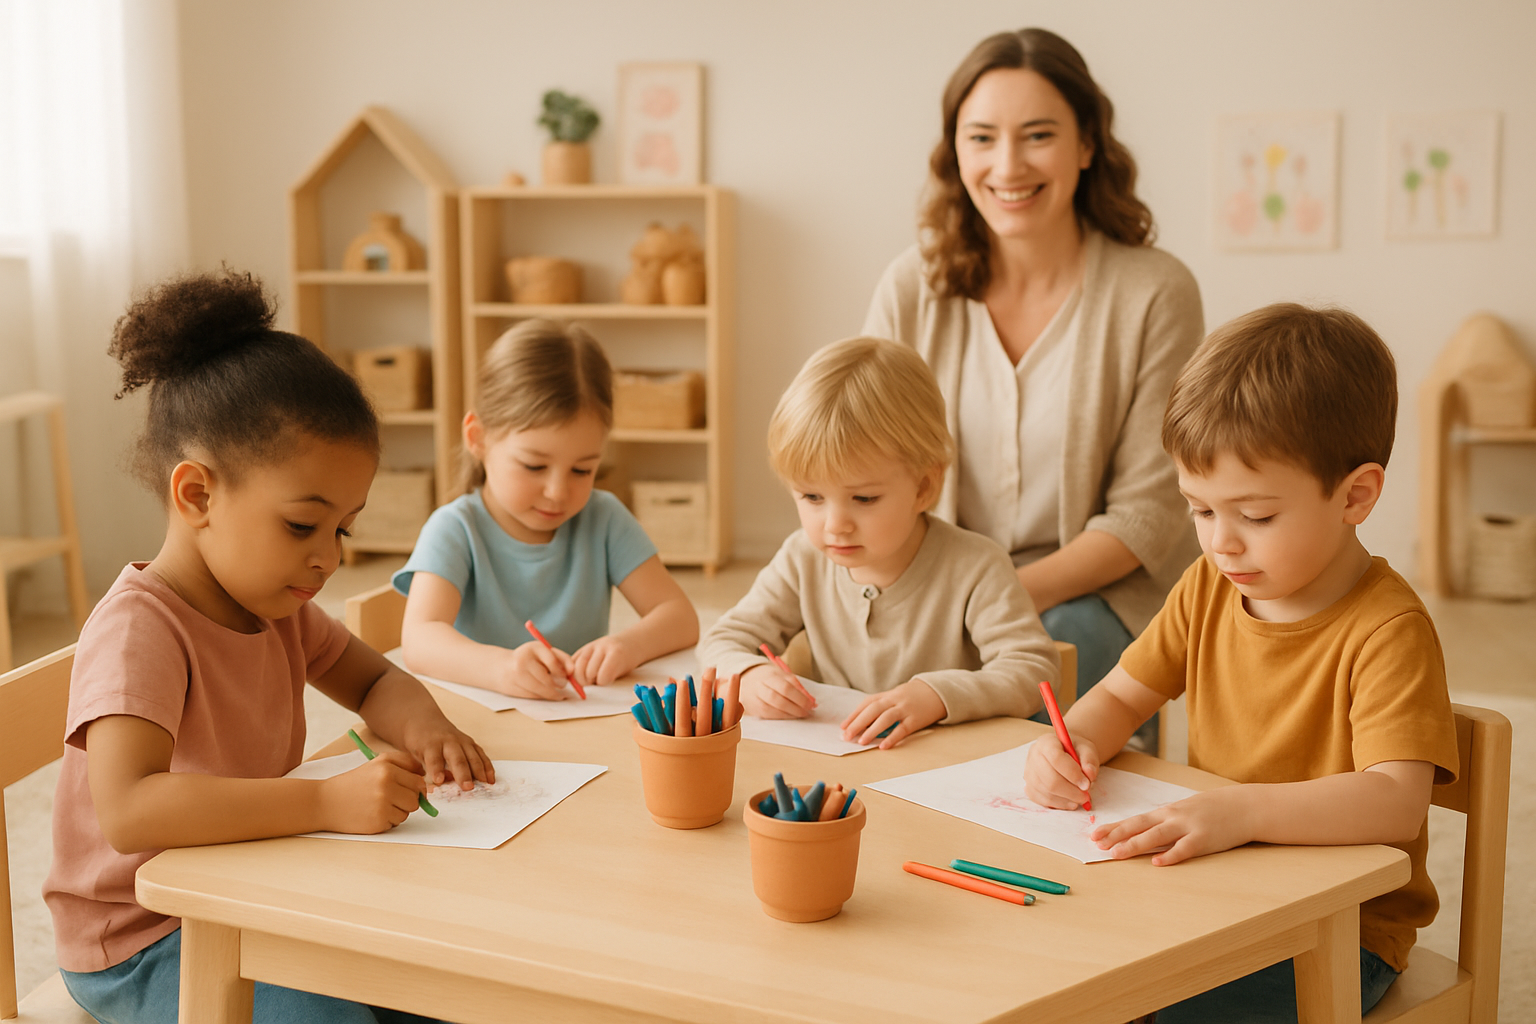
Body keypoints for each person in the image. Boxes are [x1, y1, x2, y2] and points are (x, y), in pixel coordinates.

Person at [43, 269, 490, 1024]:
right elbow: (130, 810)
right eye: (300, 526)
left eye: (341, 528)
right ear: (197, 496)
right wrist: (322, 800)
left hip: (251, 883)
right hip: (145, 936)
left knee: (442, 974)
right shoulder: (139, 629)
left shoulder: (274, 605)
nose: (330, 558)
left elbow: (376, 680)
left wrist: (429, 728)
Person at [1023, 304, 1460, 1022]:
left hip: (1341, 930)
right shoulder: (1206, 589)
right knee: (1065, 972)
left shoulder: (1389, 628)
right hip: (1217, 892)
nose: (1221, 544)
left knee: (1146, 1005)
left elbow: (1395, 799)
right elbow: (1121, 696)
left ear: (1356, 496)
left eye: (1254, 516)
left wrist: (1243, 810)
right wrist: (1071, 742)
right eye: (1199, 510)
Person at [863, 27, 1204, 741]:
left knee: (1041, 660)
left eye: (1038, 135)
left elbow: (1147, 514)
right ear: (955, 153)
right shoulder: (911, 287)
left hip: (1091, 592)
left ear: (1087, 145)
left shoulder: (1155, 292)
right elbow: (859, 458)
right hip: (935, 574)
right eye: (981, 137)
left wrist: (987, 595)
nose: (1008, 164)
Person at [699, 337, 1059, 747]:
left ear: (924, 487)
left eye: (864, 499)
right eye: (812, 497)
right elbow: (722, 641)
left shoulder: (976, 566)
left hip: (944, 771)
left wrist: (937, 696)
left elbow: (1034, 670)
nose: (836, 525)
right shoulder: (801, 558)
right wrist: (748, 675)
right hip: (840, 772)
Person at [396, 319, 697, 699]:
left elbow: (680, 616)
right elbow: (420, 640)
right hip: (484, 722)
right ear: (478, 438)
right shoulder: (455, 528)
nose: (557, 492)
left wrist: (627, 646)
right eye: (534, 466)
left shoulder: (604, 517)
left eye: (582, 469)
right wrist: (501, 670)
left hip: (578, 721)